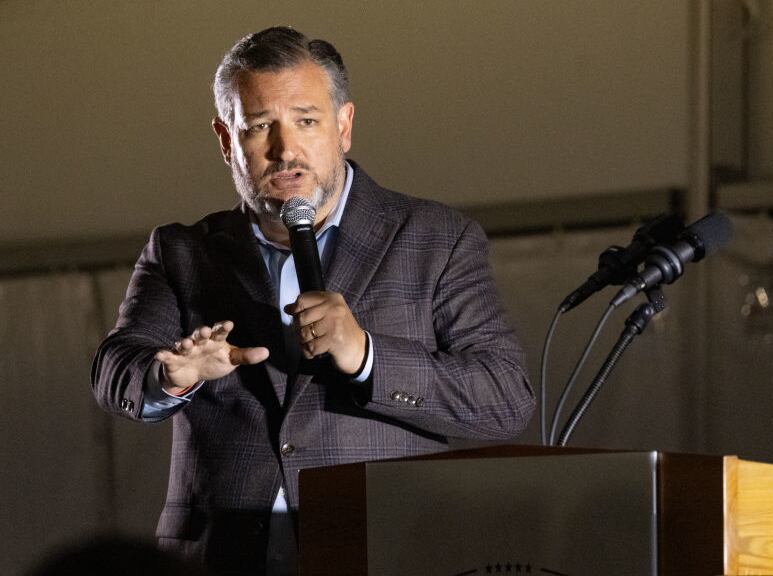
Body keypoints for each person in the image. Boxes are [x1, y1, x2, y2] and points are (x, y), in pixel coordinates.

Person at [92, 26, 534, 575]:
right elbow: (114, 372)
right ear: (226, 140)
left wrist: (368, 356)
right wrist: (172, 375)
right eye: (259, 127)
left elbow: (504, 401)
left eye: (306, 121)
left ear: (344, 126)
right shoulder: (182, 250)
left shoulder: (436, 238)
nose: (285, 150)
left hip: (383, 551)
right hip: (219, 558)